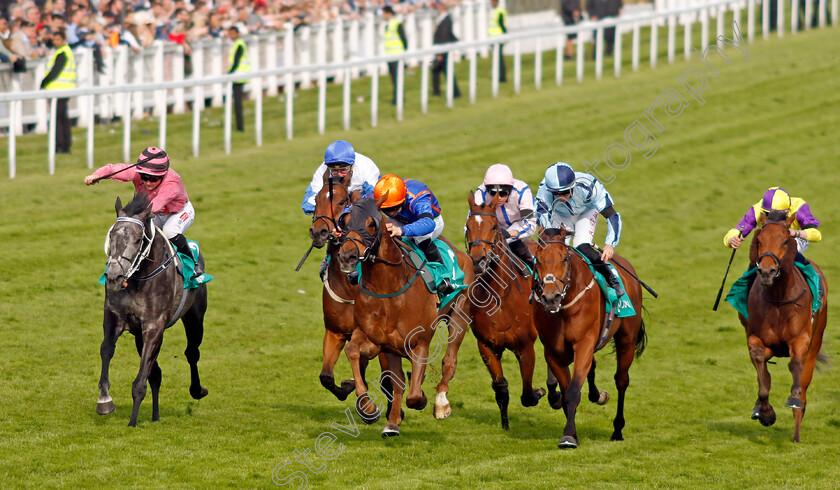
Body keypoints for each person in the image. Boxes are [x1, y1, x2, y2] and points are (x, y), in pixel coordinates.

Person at [84, 146, 203, 277]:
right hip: (155, 213)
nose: (147, 182)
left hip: (178, 212)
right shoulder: (136, 172)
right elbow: (113, 169)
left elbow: (154, 205)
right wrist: (96, 175)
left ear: (163, 175)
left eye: (153, 179)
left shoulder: (172, 184)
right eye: (144, 177)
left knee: (170, 231)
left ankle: (192, 264)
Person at [535, 162, 625, 297]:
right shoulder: (544, 191)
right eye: (556, 194)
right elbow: (542, 219)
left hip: (586, 212)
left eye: (565, 192)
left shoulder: (588, 186)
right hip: (560, 214)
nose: (561, 197)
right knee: (554, 250)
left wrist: (609, 244)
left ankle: (611, 279)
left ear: (574, 185)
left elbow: (612, 215)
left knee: (581, 245)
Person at [302, 140, 381, 281]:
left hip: (363, 207)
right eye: (334, 171)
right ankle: (330, 257)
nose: (338, 174)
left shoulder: (366, 167)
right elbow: (307, 204)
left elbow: (375, 200)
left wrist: (350, 208)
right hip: (337, 209)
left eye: (343, 170)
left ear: (351, 166)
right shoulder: (322, 171)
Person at [373, 174, 457, 294]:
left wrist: (401, 231)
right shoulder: (378, 194)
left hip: (431, 220)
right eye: (386, 210)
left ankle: (444, 277)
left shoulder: (418, 196)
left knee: (420, 238)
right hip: (402, 220)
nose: (391, 213)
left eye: (395, 207)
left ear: (403, 199)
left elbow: (428, 223)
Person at [723, 187, 821, 265]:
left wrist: (793, 233)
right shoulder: (756, 210)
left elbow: (816, 234)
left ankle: (815, 281)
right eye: (768, 214)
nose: (774, 219)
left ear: (788, 209)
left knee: (790, 254)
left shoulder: (799, 207)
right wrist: (731, 239)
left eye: (780, 216)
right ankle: (739, 288)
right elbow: (738, 229)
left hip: (796, 238)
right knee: (755, 264)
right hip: (769, 239)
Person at [472, 163, 536, 268]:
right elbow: (470, 224)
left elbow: (531, 225)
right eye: (493, 193)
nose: (498, 198)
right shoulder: (480, 193)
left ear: (510, 190)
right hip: (493, 229)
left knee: (507, 242)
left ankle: (534, 270)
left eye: (503, 194)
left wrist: (510, 233)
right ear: (487, 190)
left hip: (518, 226)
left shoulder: (523, 191)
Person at [40, 29, 76, 155]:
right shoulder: (65, 51)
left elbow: (55, 71)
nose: (55, 42)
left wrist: (43, 82)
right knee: (63, 119)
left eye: (57, 40)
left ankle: (61, 146)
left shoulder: (62, 52)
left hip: (59, 90)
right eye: (53, 40)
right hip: (64, 89)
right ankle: (65, 145)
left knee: (58, 120)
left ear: (63, 40)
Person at [432, 1, 460, 98]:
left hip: (443, 50)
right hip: (442, 49)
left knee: (443, 70)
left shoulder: (446, 19)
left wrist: (440, 53)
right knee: (437, 70)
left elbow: (444, 36)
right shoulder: (442, 18)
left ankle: (454, 92)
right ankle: (437, 91)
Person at [382, 6, 407, 105]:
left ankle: (399, 99)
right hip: (390, 56)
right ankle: (397, 98)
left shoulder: (396, 24)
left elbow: (404, 40)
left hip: (397, 56)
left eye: (384, 14)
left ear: (389, 13)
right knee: (394, 79)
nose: (383, 16)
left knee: (398, 79)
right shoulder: (388, 25)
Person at [227, 25, 249, 132]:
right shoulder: (236, 44)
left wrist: (229, 73)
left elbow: (236, 61)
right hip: (238, 74)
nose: (231, 36)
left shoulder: (239, 44)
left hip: (239, 75)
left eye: (233, 33)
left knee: (237, 102)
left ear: (237, 33)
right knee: (237, 101)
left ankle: (240, 127)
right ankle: (239, 126)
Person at [487, 0, 506, 82]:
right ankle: (499, 76)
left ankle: (502, 77)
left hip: (498, 39)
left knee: (499, 59)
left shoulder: (499, 11)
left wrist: (504, 36)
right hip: (493, 38)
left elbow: (502, 25)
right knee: (497, 59)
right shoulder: (494, 11)